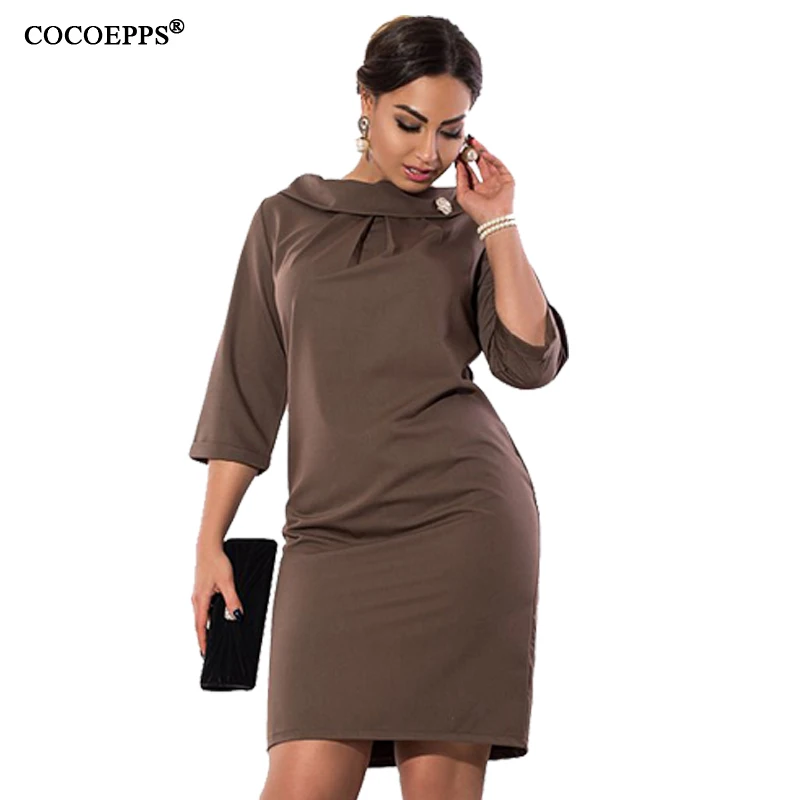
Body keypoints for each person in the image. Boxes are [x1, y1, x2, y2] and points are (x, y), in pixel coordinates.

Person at [189, 14, 569, 800]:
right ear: (365, 101)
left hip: (461, 524)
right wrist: (208, 540)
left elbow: (529, 361)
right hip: (328, 538)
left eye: (451, 131)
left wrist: (499, 221)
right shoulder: (286, 218)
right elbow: (246, 386)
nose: (429, 152)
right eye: (409, 123)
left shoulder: (464, 229)